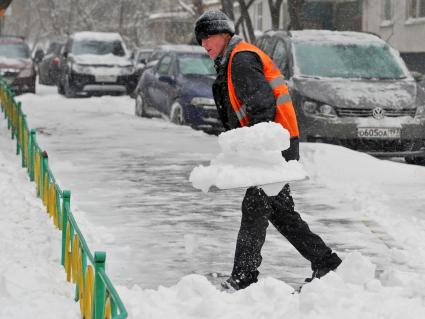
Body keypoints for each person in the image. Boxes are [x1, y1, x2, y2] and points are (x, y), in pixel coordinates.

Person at [194, 9, 342, 291]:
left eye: (207, 37)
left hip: (275, 145)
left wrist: (259, 151)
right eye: (200, 41)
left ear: (224, 34)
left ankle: (244, 278)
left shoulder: (241, 59)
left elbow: (262, 106)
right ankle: (327, 262)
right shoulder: (232, 60)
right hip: (275, 143)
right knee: (279, 212)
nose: (204, 45)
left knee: (254, 208)